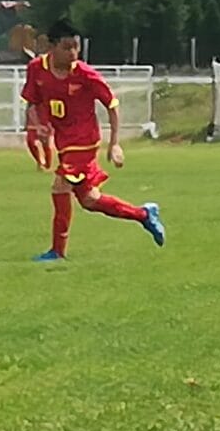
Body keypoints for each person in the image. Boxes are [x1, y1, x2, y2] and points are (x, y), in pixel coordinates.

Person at [24, 18, 166, 261]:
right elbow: (32, 102)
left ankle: (57, 252)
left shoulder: (85, 75)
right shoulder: (37, 69)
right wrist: (38, 125)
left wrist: (115, 143)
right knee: (90, 200)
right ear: (51, 46)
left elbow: (112, 105)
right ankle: (144, 214)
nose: (73, 53)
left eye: (76, 47)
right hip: (64, 143)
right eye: (67, 47)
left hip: (84, 142)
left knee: (60, 186)